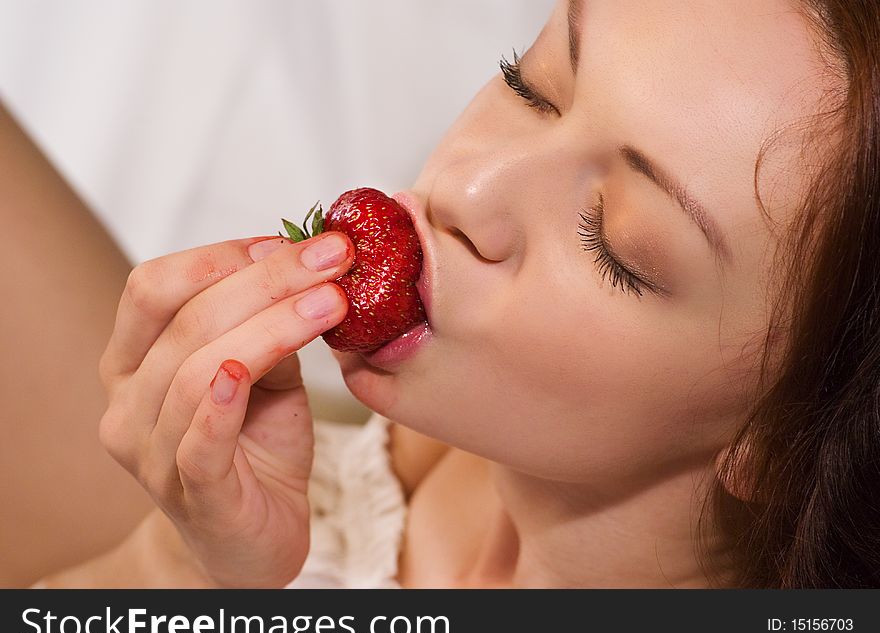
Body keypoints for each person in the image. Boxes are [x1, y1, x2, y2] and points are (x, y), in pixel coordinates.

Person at [4, 0, 879, 588]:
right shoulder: (451, 448)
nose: (466, 186)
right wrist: (188, 554)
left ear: (781, 434)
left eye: (616, 242)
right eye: (531, 82)